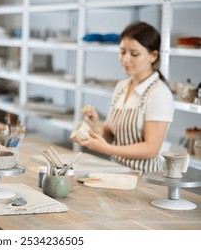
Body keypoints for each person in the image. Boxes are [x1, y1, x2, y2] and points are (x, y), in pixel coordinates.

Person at [72, 21, 174, 173]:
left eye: (134, 54)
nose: (125, 59)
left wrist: (107, 149)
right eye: (122, 52)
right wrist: (95, 124)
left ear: (153, 56)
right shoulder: (122, 86)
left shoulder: (159, 93)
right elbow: (110, 136)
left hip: (145, 178)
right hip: (117, 172)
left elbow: (151, 148)